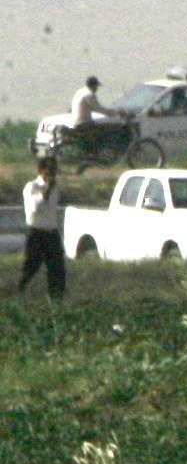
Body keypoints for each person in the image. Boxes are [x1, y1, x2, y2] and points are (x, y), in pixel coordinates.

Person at [19, 157, 67, 301]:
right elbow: (34, 208)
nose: (53, 175)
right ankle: (20, 292)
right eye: (50, 171)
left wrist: (51, 188)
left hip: (51, 234)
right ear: (41, 170)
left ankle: (56, 299)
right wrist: (46, 190)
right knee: (31, 267)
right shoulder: (31, 187)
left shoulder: (55, 189)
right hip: (36, 233)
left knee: (57, 269)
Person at [65, 75, 117, 151]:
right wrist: (112, 113)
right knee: (106, 130)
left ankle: (93, 151)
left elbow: (93, 108)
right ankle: (96, 151)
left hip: (76, 122)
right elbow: (98, 108)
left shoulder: (80, 91)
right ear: (93, 86)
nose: (96, 89)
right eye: (96, 86)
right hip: (84, 123)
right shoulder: (89, 94)